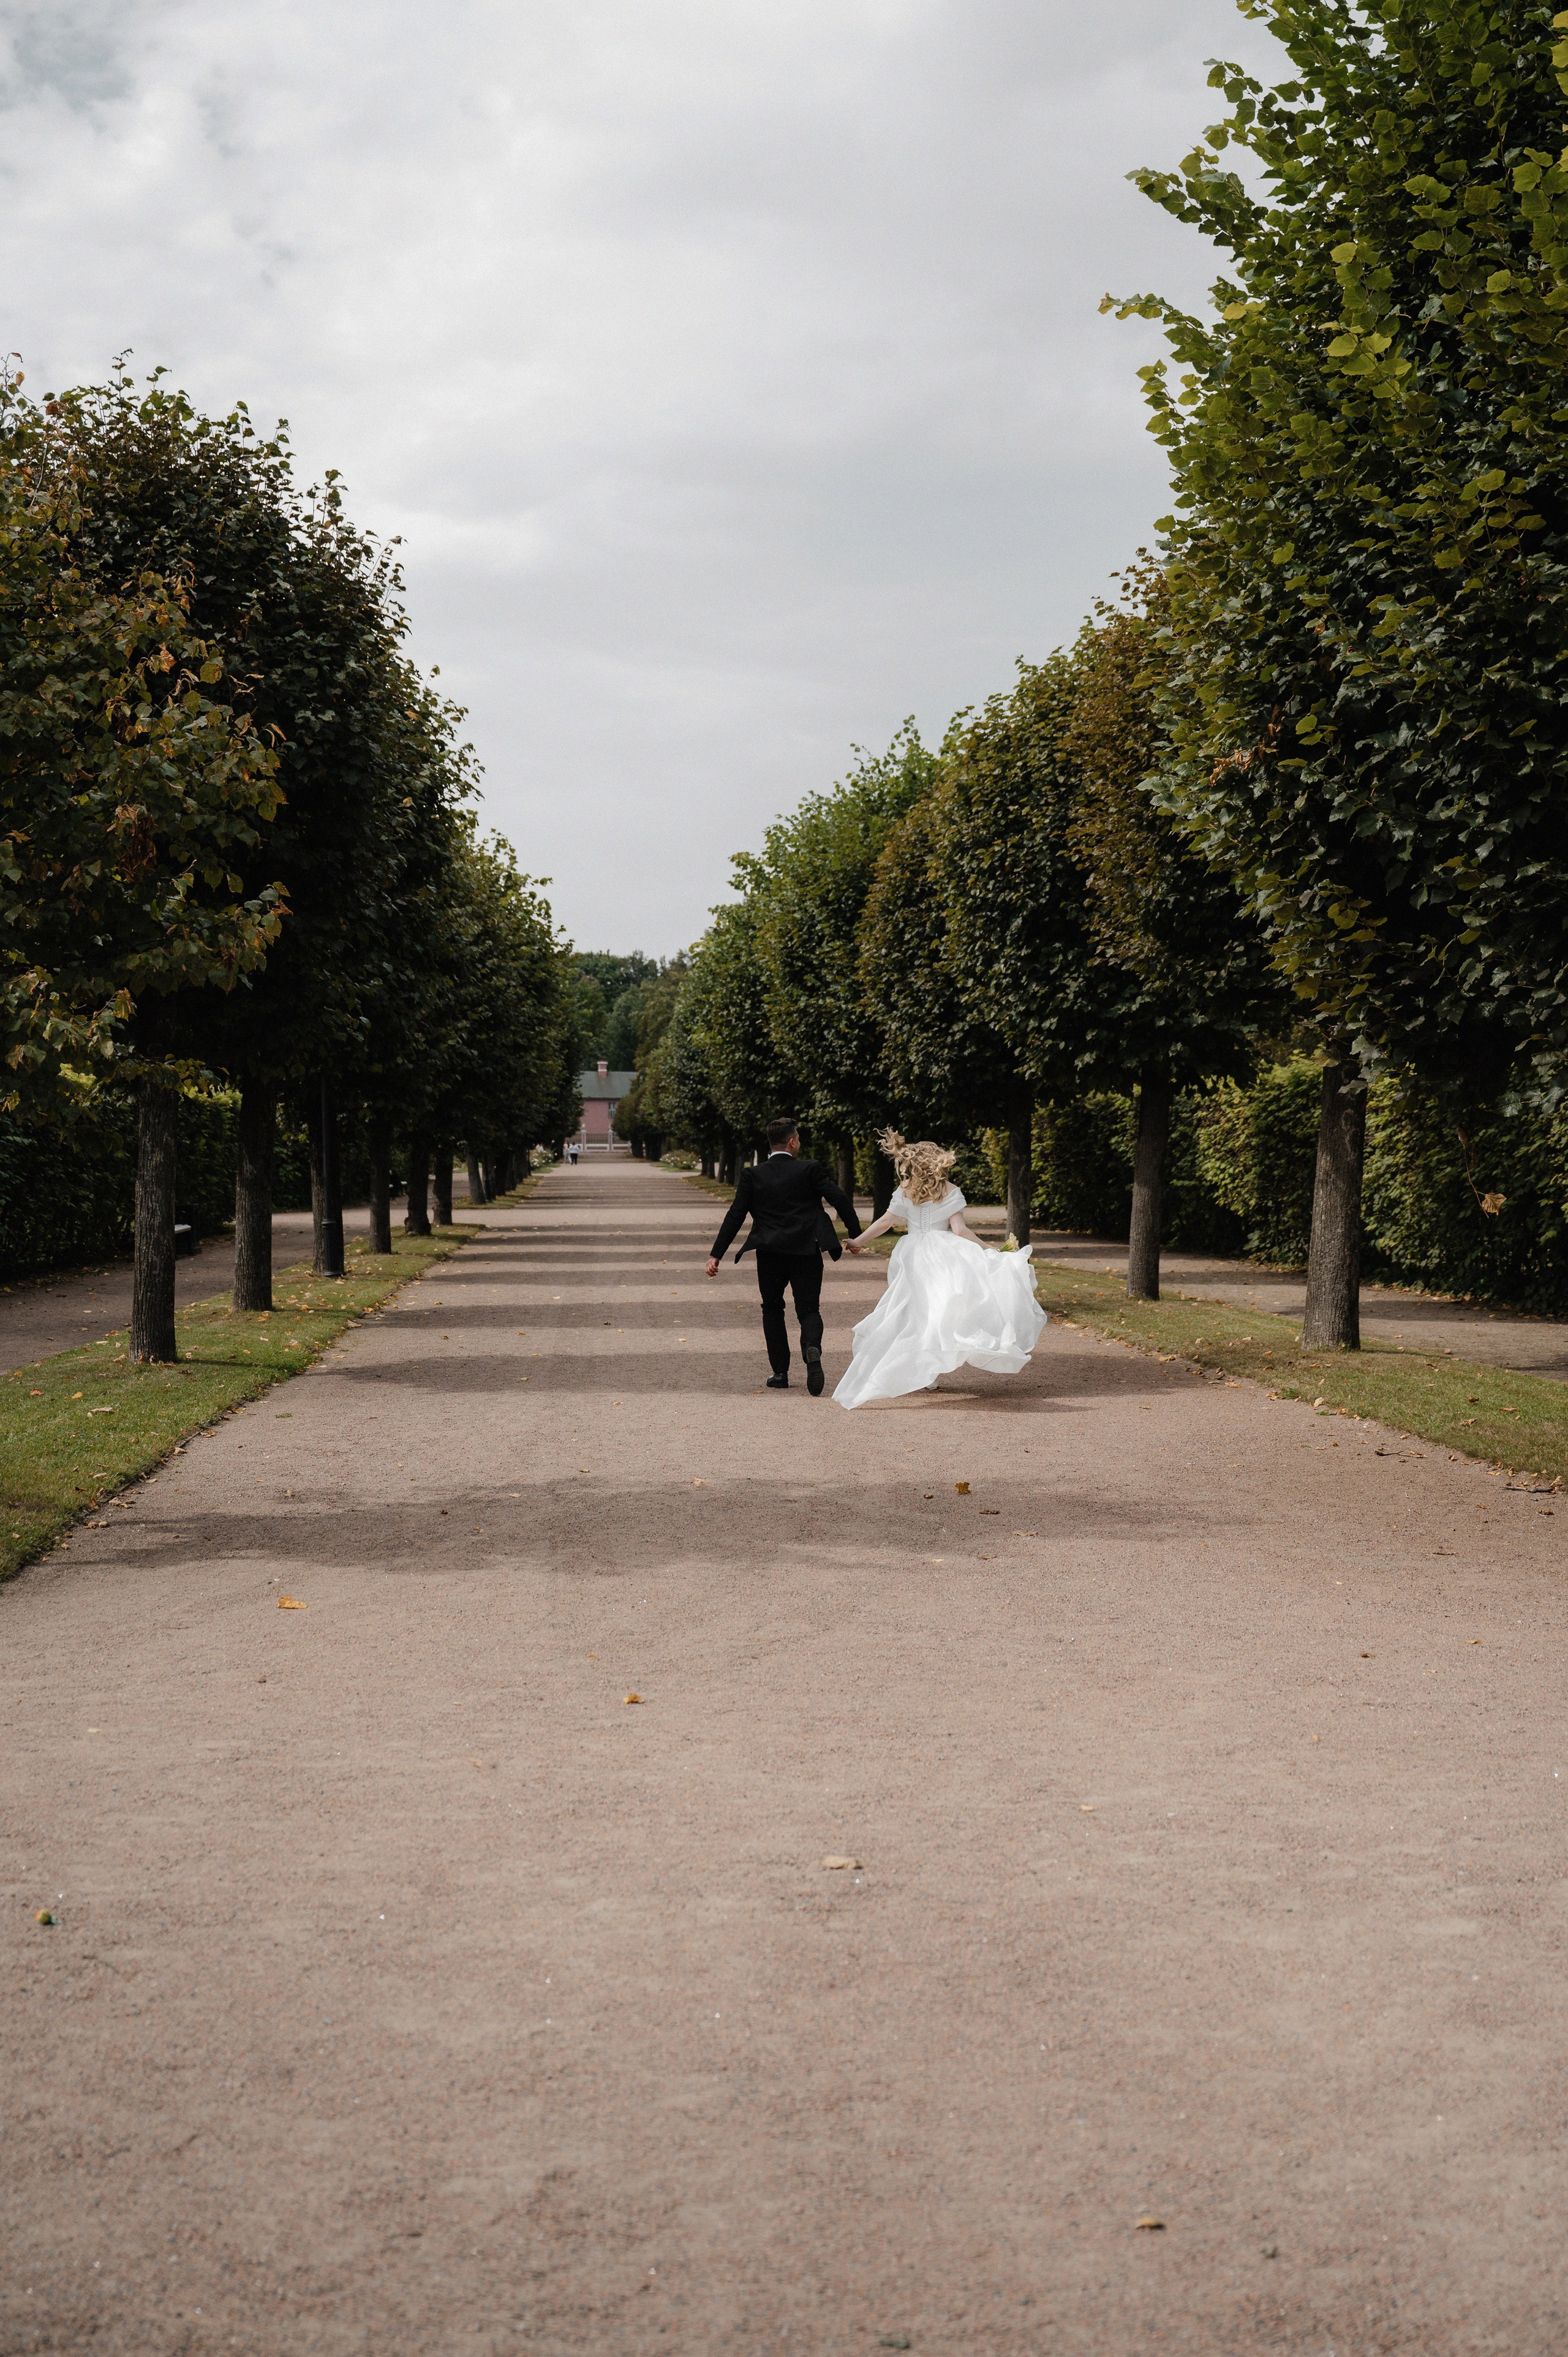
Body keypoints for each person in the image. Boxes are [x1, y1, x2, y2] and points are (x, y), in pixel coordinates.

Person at [834, 1129, 1046, 1408]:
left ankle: (923, 1373)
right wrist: (990, 1250)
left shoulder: (905, 1189)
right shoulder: (950, 1190)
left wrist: (858, 1241)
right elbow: (959, 1230)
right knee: (940, 1309)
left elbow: (886, 1222)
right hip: (945, 1255)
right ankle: (929, 1368)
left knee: (915, 1310)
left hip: (913, 1254)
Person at [706, 1118, 861, 1393]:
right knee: (809, 1310)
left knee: (773, 1309)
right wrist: (855, 1234)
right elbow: (839, 1198)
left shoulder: (753, 1175)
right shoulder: (810, 1169)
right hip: (806, 1251)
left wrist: (716, 1254)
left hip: (770, 1254)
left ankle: (780, 1373)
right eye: (798, 1138)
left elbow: (735, 1215)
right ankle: (812, 1349)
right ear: (792, 1142)